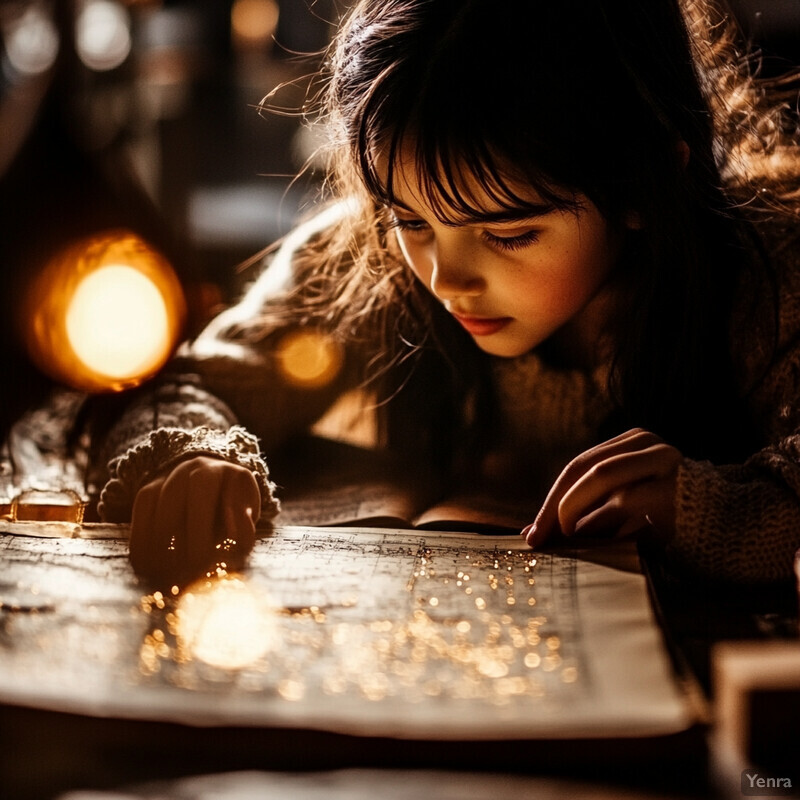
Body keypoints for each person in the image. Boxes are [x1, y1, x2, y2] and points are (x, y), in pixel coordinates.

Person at [94, 0, 800, 587]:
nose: (445, 277)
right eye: (411, 219)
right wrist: (191, 454)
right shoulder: (366, 257)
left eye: (511, 234)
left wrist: (716, 512)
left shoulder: (769, 285)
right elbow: (182, 388)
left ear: (644, 181)